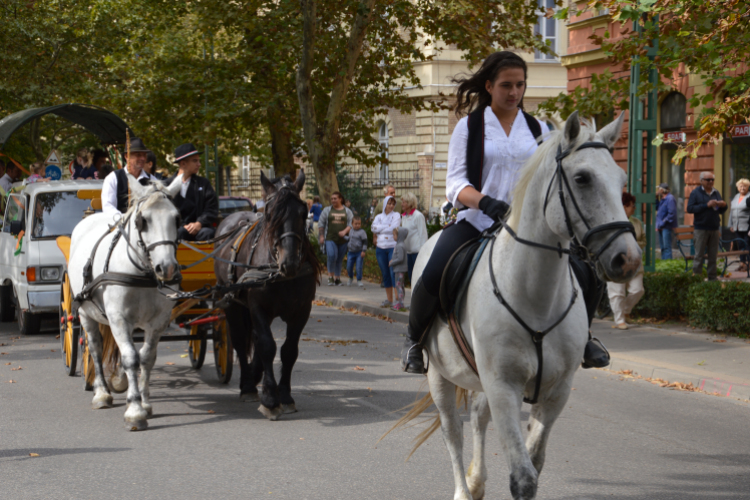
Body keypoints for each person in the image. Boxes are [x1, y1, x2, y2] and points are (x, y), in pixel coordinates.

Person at [401, 51, 609, 374]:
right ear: (489, 86)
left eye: (520, 85)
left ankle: (585, 337)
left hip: (530, 226)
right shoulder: (468, 127)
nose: (514, 93)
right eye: (506, 85)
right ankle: (414, 339)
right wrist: (485, 202)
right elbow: (455, 183)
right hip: (478, 221)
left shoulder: (537, 127)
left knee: (588, 270)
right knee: (435, 268)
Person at [608, 193, 646, 330]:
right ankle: (619, 320)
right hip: (616, 261)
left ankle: (625, 311)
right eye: (632, 206)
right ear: (623, 206)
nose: (634, 208)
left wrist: (634, 244)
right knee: (617, 292)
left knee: (638, 290)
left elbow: (644, 240)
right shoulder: (611, 221)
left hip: (634, 261)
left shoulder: (636, 222)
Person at [168, 143, 219, 241]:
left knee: (208, 233)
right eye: (195, 161)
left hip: (200, 229)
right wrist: (181, 226)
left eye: (199, 161)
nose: (199, 164)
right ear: (183, 163)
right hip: (177, 230)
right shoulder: (167, 185)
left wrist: (199, 223)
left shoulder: (204, 184)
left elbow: (212, 208)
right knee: (179, 232)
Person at [687, 171, 727, 280]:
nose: (710, 182)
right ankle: (697, 280)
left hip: (714, 228)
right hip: (701, 228)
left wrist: (724, 205)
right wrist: (706, 205)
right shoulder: (695, 193)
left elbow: (720, 211)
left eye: (712, 179)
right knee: (699, 256)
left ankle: (712, 280)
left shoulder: (716, 192)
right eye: (708, 179)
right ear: (701, 181)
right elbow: (690, 209)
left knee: (713, 256)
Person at [102, 138, 155, 214]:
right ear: (127, 156)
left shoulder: (152, 180)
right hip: (120, 223)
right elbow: (108, 207)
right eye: (138, 155)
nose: (143, 158)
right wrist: (124, 220)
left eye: (144, 155)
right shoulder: (113, 178)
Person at [318, 191, 353, 286]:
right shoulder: (327, 210)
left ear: (340, 199)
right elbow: (321, 224)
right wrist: (321, 236)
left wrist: (345, 231)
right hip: (330, 238)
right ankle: (330, 277)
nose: (333, 200)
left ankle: (337, 278)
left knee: (339, 258)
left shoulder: (347, 211)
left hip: (343, 240)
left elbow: (351, 223)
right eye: (332, 199)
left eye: (335, 198)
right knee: (332, 255)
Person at [371, 196, 401, 306]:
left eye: (393, 204)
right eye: (389, 203)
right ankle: (389, 299)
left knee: (393, 272)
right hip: (380, 248)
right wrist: (386, 226)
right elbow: (373, 228)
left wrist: (381, 228)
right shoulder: (379, 216)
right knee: (385, 273)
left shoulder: (396, 215)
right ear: (385, 204)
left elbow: (394, 228)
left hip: (392, 246)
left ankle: (398, 300)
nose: (391, 206)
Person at [399, 192, 429, 281]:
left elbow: (423, 234)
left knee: (418, 276)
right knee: (410, 276)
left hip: (417, 252)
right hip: (408, 252)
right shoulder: (404, 216)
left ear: (410, 203)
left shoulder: (418, 216)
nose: (402, 204)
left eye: (404, 202)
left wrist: (423, 252)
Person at [728, 178, 750, 271]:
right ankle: (742, 264)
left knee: (747, 245)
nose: (742, 188)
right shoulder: (736, 197)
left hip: (747, 227)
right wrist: (731, 224)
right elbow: (732, 211)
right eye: (740, 186)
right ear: (737, 187)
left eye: (745, 186)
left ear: (748, 187)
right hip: (737, 226)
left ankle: (748, 265)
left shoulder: (749, 197)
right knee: (740, 245)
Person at [389, 227, 410, 310]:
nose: (393, 236)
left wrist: (392, 262)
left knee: (399, 286)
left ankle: (400, 303)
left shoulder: (400, 246)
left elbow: (400, 258)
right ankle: (400, 302)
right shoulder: (399, 245)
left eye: (394, 234)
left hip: (399, 269)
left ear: (399, 236)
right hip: (399, 269)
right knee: (400, 285)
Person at [655, 182, 677, 259]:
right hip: (661, 226)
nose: (657, 191)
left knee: (667, 247)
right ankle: (663, 263)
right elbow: (657, 208)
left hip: (666, 226)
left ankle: (668, 263)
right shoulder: (663, 199)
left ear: (662, 190)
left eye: (659, 189)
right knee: (662, 247)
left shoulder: (670, 198)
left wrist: (664, 221)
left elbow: (672, 213)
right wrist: (656, 198)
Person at [346, 215, 368, 286]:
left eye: (359, 224)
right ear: (352, 224)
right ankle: (350, 277)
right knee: (349, 266)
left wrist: (363, 251)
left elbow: (365, 242)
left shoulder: (362, 232)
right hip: (351, 252)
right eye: (356, 224)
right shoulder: (351, 231)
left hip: (359, 252)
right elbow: (349, 239)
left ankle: (359, 279)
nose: (357, 225)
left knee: (358, 267)